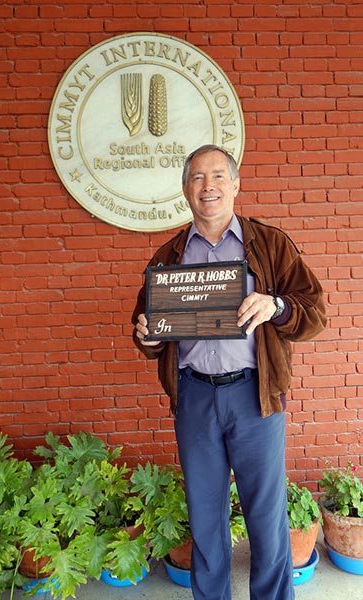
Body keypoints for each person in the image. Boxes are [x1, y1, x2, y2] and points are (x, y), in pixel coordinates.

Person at [131, 144, 326, 600]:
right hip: (195, 399)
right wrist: (148, 335)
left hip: (254, 397)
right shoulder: (167, 258)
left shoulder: (271, 245)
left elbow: (313, 311)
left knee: (266, 515)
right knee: (204, 515)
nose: (208, 187)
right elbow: (146, 331)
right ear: (185, 190)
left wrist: (275, 305)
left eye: (218, 176)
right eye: (197, 178)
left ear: (236, 185)